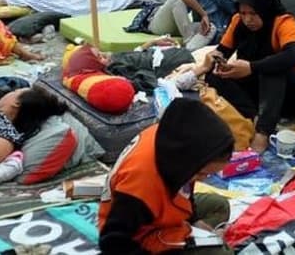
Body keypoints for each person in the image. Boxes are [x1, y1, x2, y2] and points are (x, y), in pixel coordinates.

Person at [98, 98, 234, 254]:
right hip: (140, 235)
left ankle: (197, 237)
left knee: (219, 206)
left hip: (162, 209)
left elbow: (186, 192)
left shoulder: (172, 139)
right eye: (201, 173)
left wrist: (195, 222)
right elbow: (112, 242)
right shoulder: (140, 185)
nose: (203, 179)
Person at [196, 0, 295, 154]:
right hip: (261, 92)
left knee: (273, 67)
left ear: (265, 9)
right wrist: (215, 57)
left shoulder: (283, 22)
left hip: (293, 93)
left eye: (253, 14)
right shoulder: (238, 22)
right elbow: (223, 50)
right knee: (214, 75)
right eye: (244, 13)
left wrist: (252, 67)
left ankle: (263, 132)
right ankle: (255, 116)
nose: (248, 20)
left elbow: (291, 56)